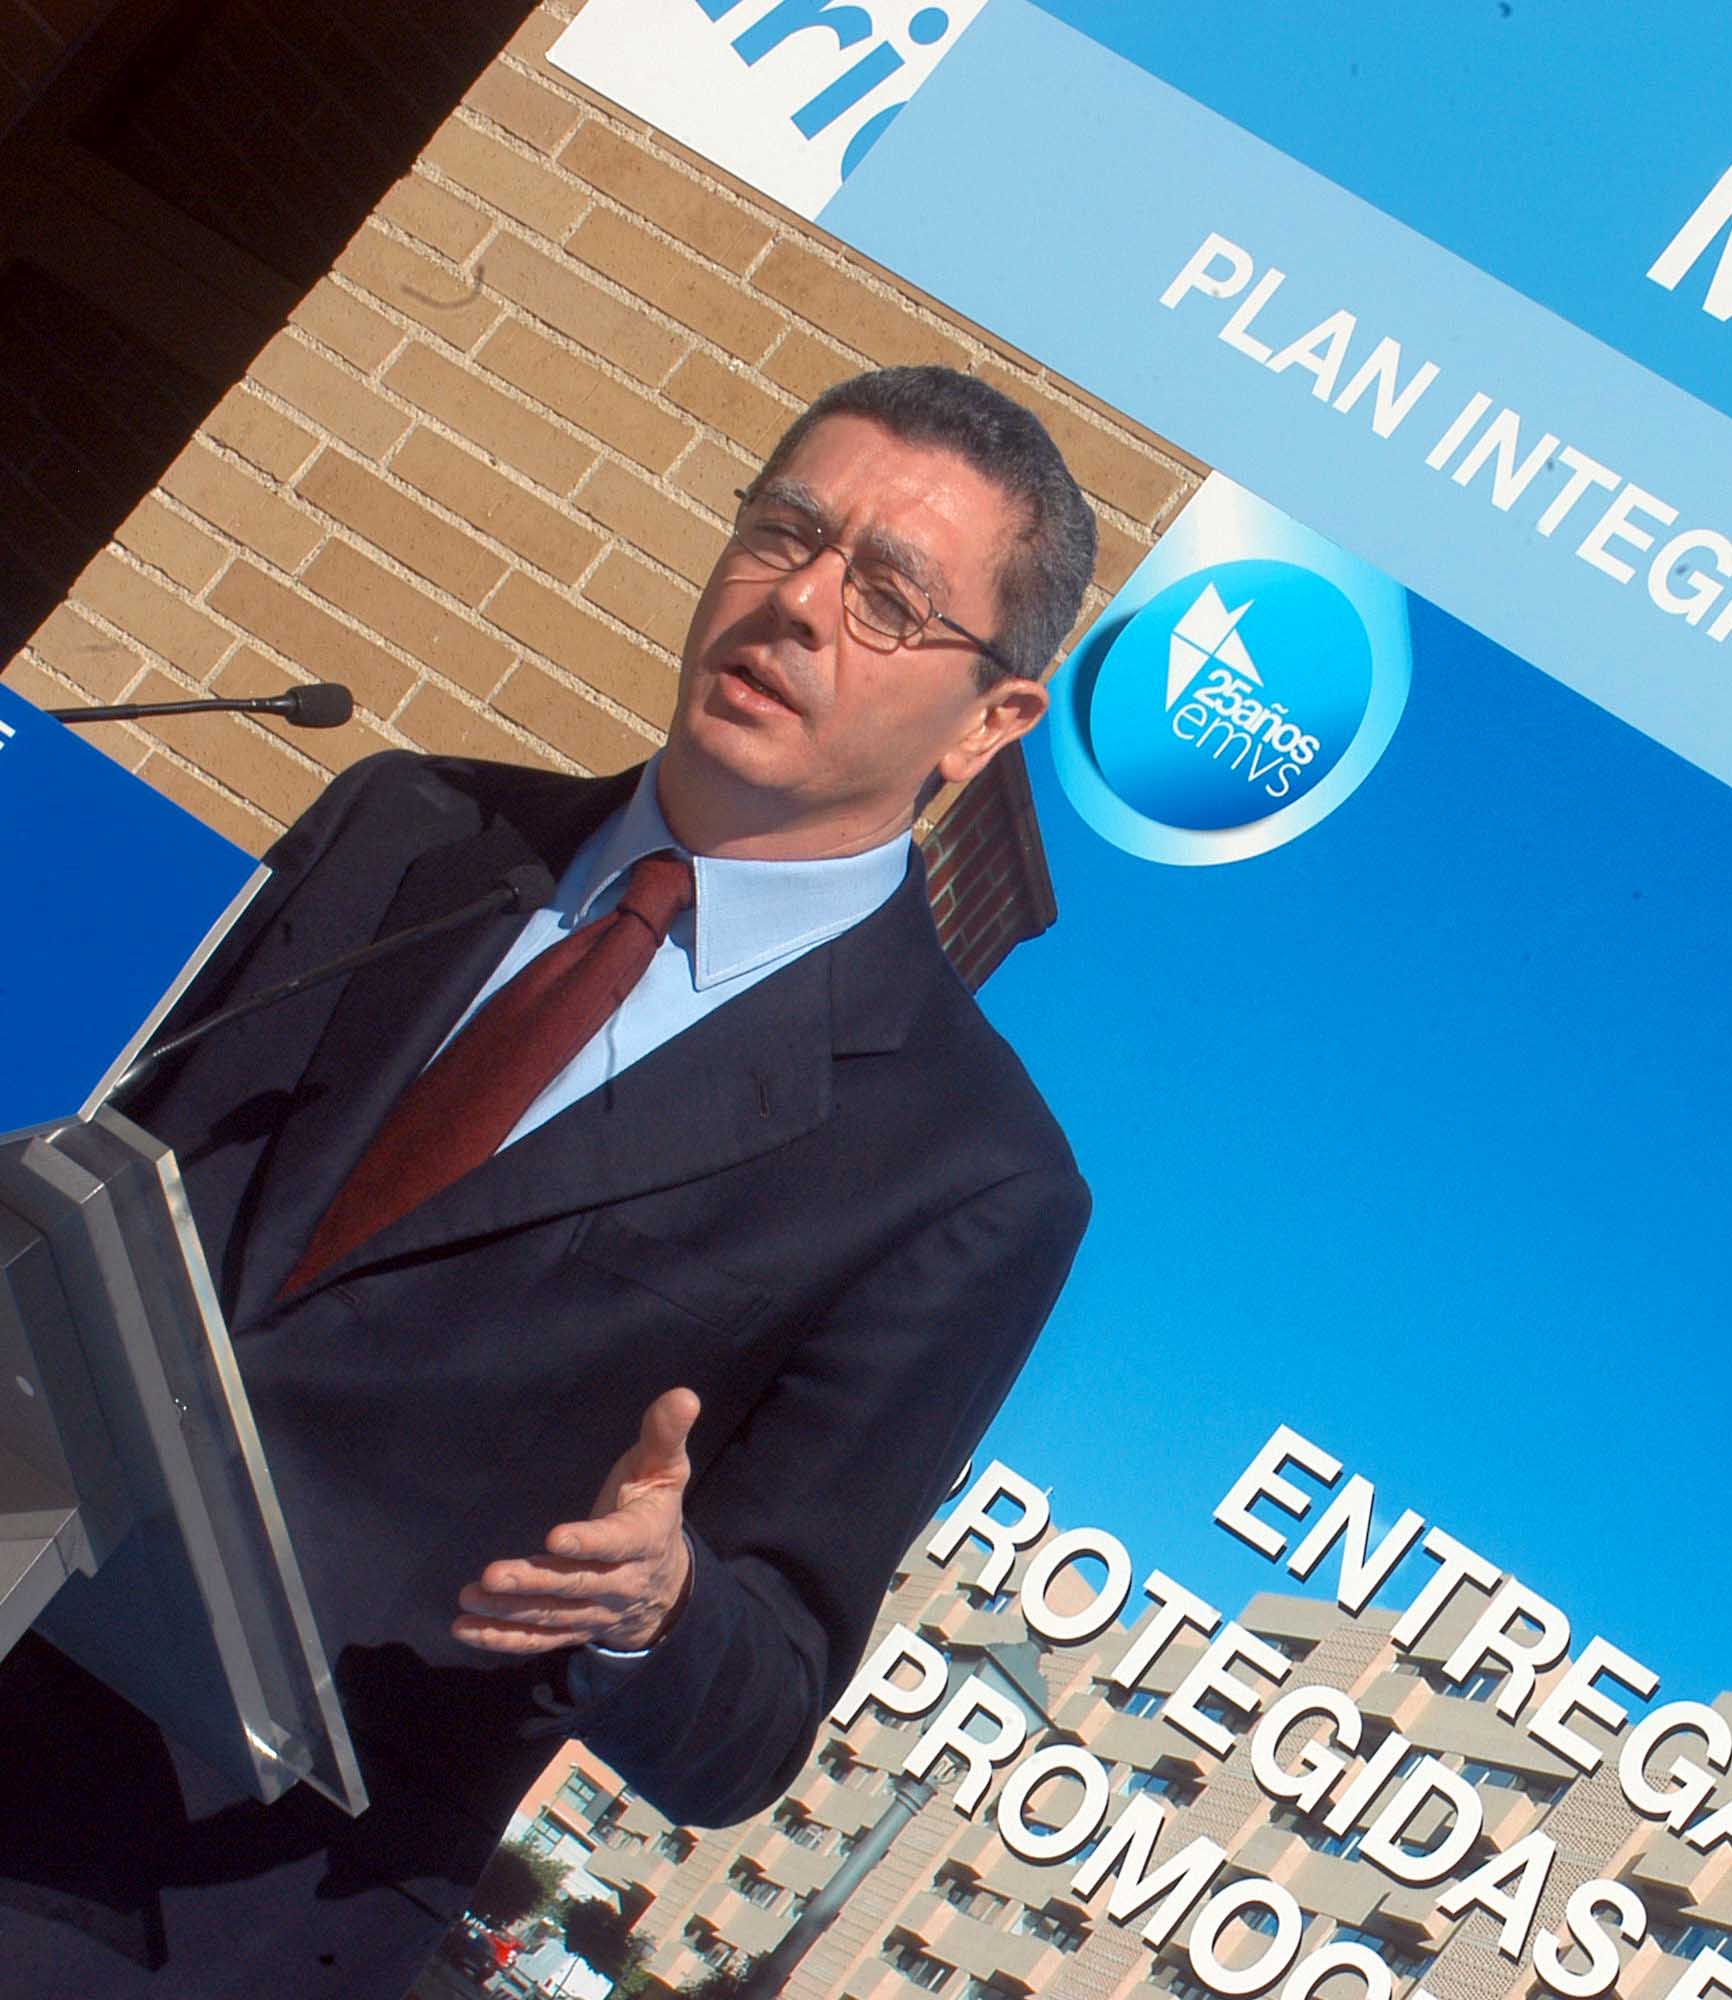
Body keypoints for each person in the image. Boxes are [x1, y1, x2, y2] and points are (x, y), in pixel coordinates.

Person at [0, 365, 1098, 1996]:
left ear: (989, 719)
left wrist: (659, 1601)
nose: (798, 602)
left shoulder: (969, 1172)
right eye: (784, 530)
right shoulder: (407, 825)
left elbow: (752, 1722)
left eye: (887, 597)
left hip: (188, 1903)